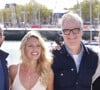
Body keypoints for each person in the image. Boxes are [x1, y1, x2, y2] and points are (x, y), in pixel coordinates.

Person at [52, 12, 100, 90]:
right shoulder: (52, 57)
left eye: (76, 30)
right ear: (62, 33)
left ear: (82, 31)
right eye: (66, 30)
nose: (71, 35)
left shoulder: (93, 57)